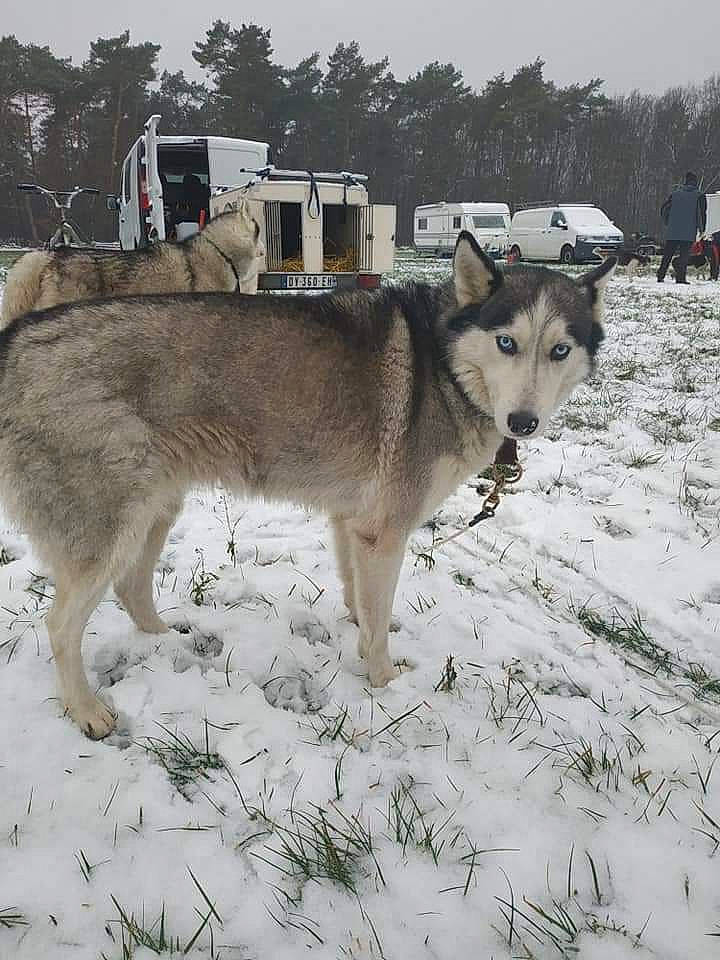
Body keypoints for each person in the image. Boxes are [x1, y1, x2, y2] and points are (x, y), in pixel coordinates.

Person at [657, 172, 707, 283]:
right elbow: (701, 214)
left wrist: (667, 223)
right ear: (695, 182)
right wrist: (702, 229)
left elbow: (665, 210)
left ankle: (660, 275)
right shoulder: (699, 195)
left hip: (673, 230)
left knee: (668, 254)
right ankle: (680, 278)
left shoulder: (674, 194)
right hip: (688, 232)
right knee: (684, 256)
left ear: (685, 181)